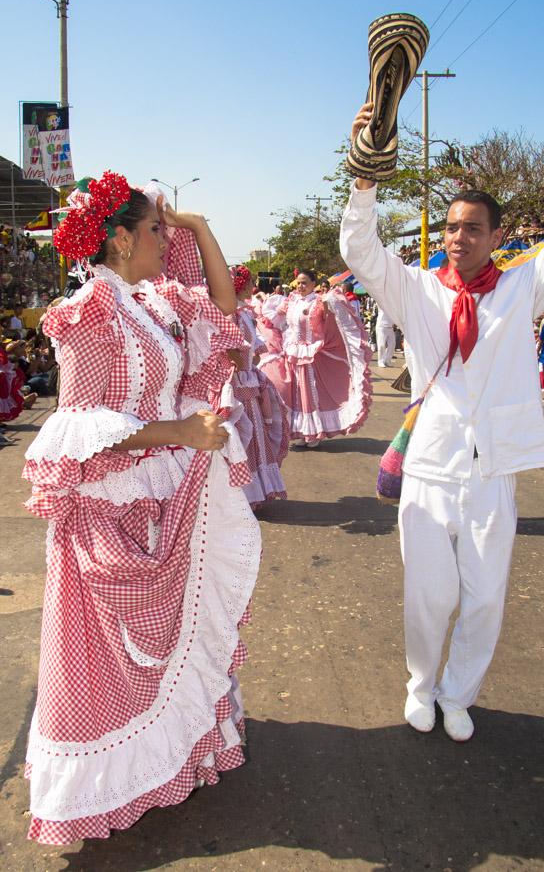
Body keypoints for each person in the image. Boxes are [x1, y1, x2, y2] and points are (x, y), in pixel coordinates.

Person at [340, 69, 544, 741]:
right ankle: (421, 685)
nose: (458, 236)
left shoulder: (521, 290)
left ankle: (460, 693)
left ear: (494, 235)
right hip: (430, 467)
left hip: (494, 470)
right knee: (431, 596)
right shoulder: (418, 291)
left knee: (483, 598)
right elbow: (359, 251)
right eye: (452, 227)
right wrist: (364, 174)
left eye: (472, 228)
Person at [22, 171, 261, 844]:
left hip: (160, 491)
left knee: (164, 651)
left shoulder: (151, 302)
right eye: (155, 230)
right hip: (107, 506)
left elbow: (221, 312)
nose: (165, 240)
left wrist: (197, 226)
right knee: (109, 664)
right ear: (121, 239)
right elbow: (76, 426)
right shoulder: (91, 312)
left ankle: (167, 763)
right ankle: (103, 789)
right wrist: (180, 434)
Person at [260, 269, 372, 446]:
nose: (300, 286)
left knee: (309, 393)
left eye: (304, 282)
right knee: (296, 394)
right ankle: (303, 431)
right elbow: (274, 319)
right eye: (298, 282)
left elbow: (333, 321)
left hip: (311, 353)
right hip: (292, 352)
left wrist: (332, 304)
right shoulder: (291, 301)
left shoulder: (318, 302)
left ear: (313, 284)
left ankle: (313, 434)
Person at [229, 264, 289, 508]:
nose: (253, 286)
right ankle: (244, 495)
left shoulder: (243, 313)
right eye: (249, 281)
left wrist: (248, 365)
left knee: (254, 436)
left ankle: (253, 493)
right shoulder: (231, 315)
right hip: (235, 384)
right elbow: (231, 351)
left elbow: (252, 350)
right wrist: (241, 369)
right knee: (245, 437)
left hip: (247, 379)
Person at [375, 303, 396, 367]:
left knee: (392, 344)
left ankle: (387, 360)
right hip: (382, 326)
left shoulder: (392, 305)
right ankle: (380, 361)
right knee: (381, 345)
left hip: (390, 327)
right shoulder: (381, 303)